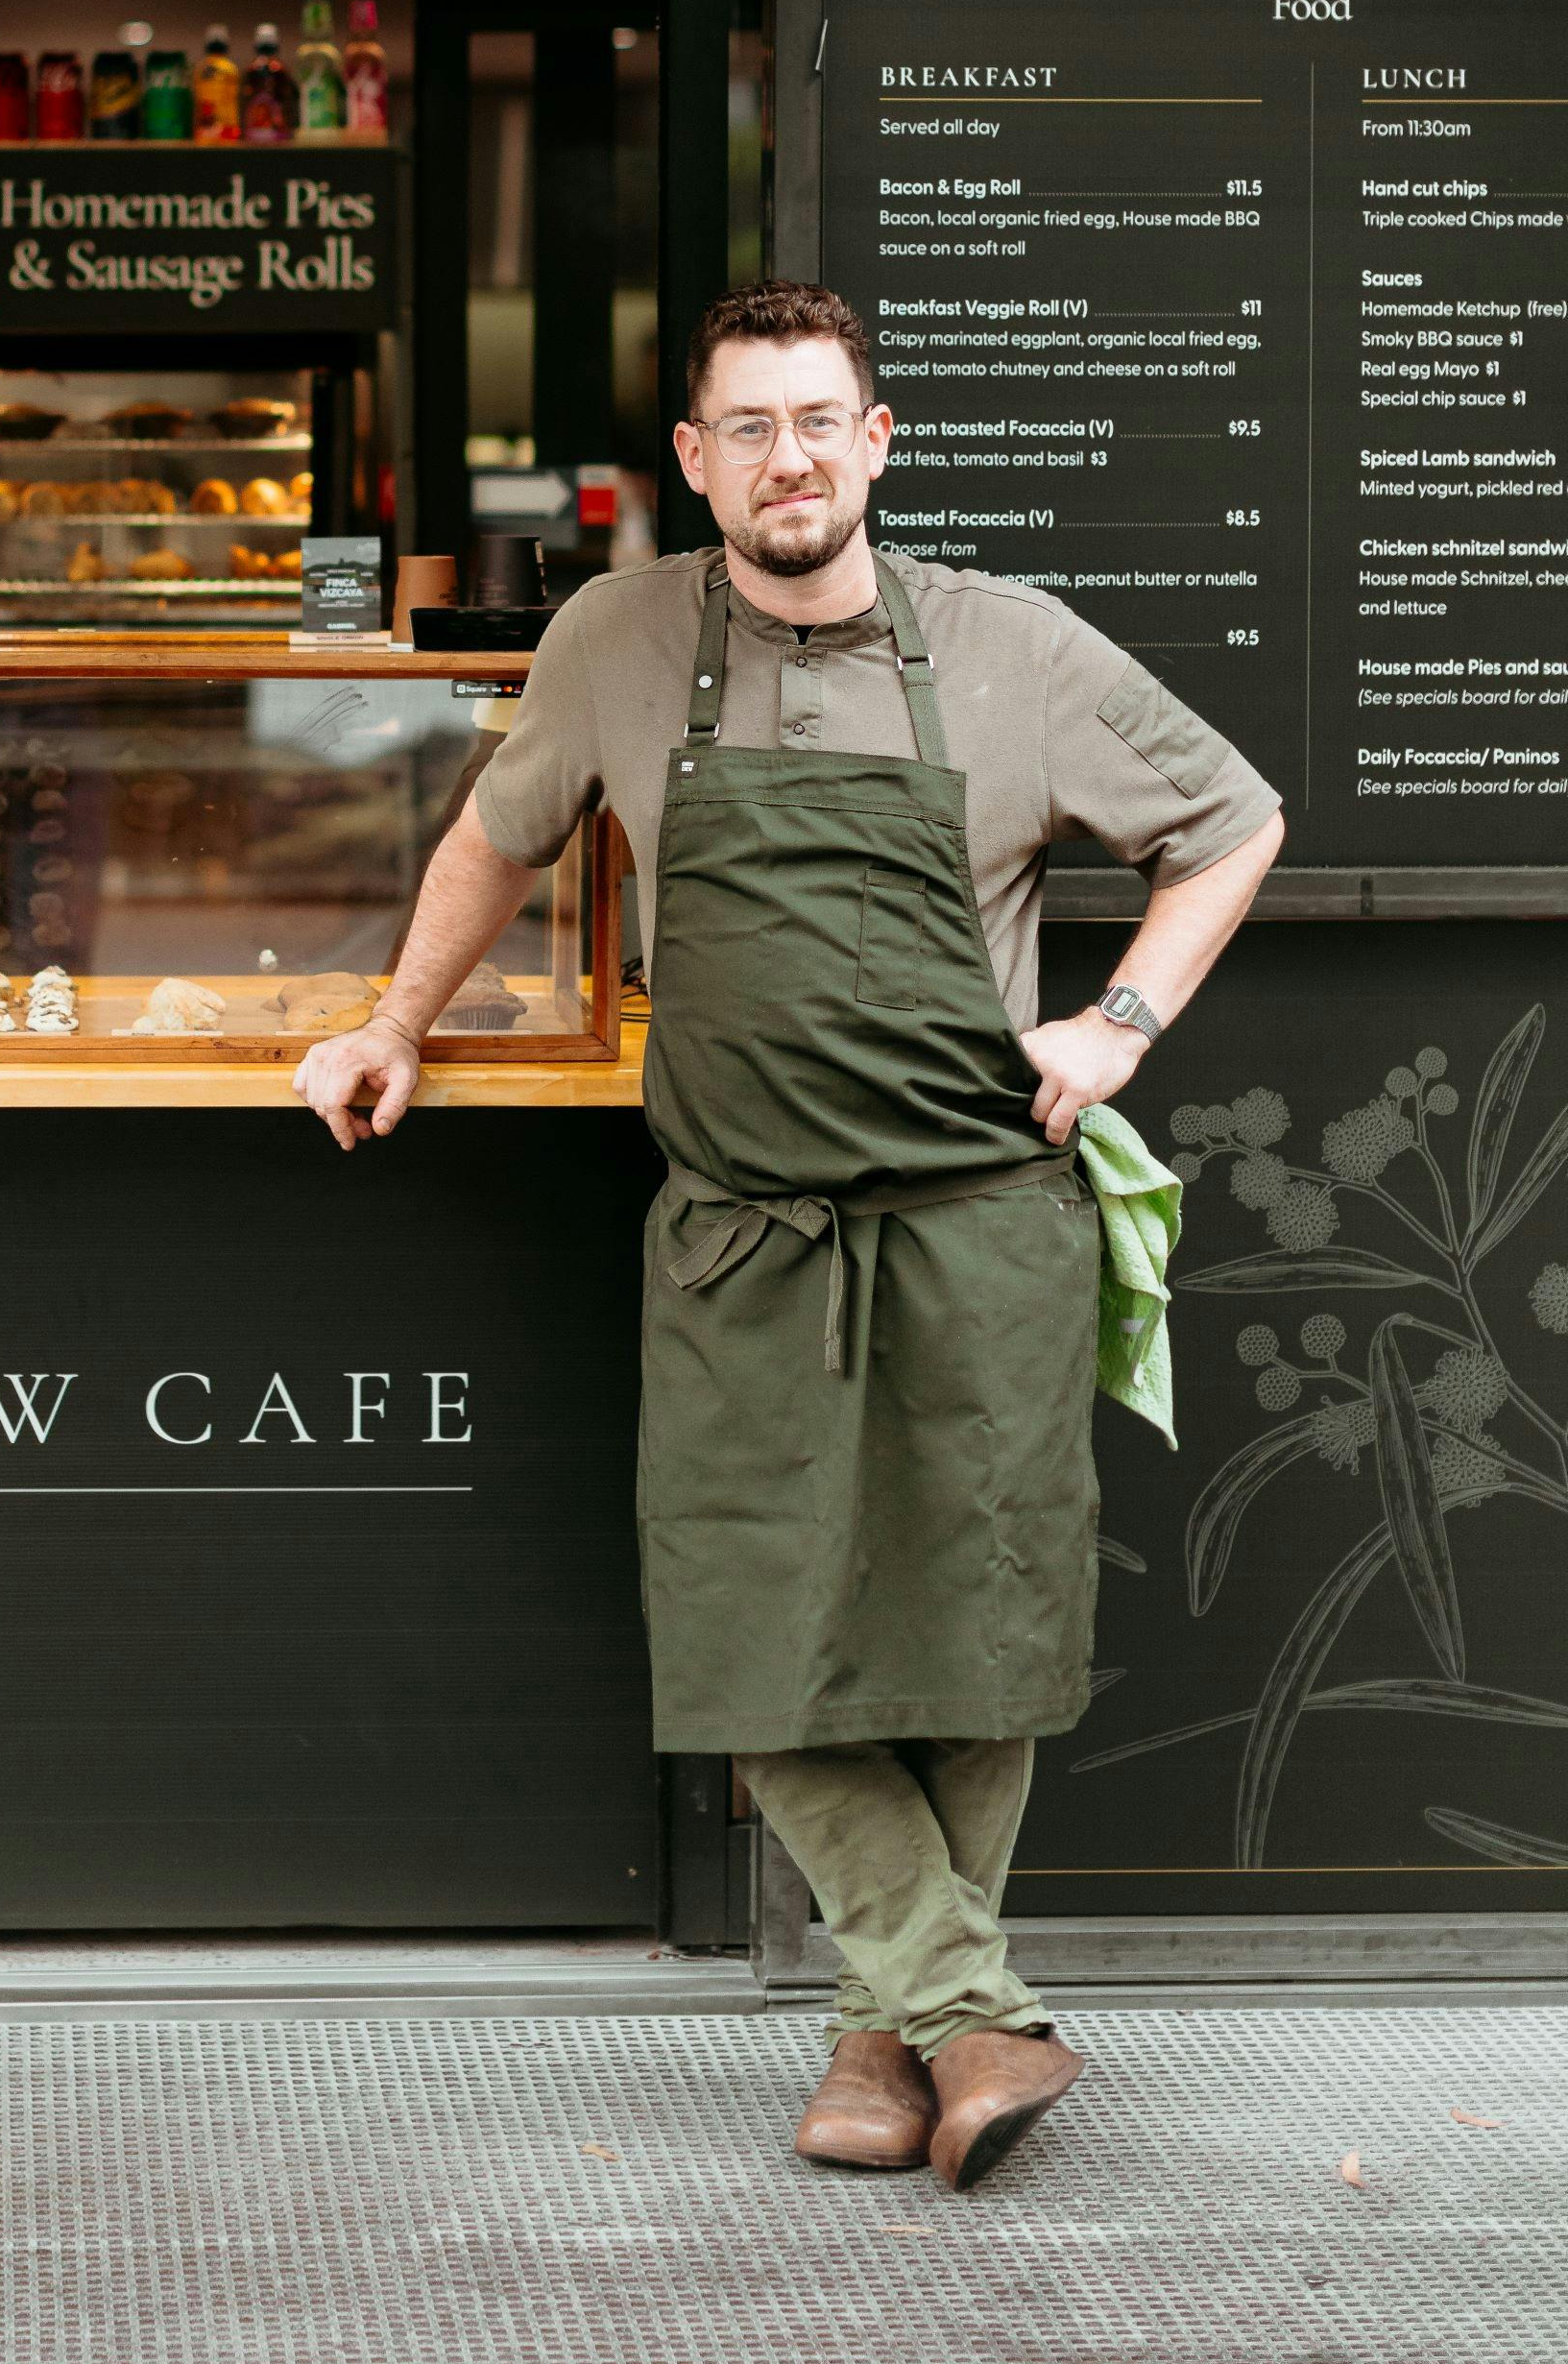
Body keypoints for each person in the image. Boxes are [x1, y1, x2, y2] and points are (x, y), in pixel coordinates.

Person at [296, 281, 1283, 2191]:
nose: (789, 459)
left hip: (980, 1221)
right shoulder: (616, 635)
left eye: (820, 419)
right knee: (745, 1630)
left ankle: (879, 2038)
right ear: (694, 458)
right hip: (743, 1235)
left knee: (977, 1643)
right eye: (747, 426)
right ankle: (974, 2009)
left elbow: (1232, 818)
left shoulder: (1010, 645)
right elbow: (498, 835)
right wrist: (396, 1018)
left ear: (877, 439)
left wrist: (1120, 1021)